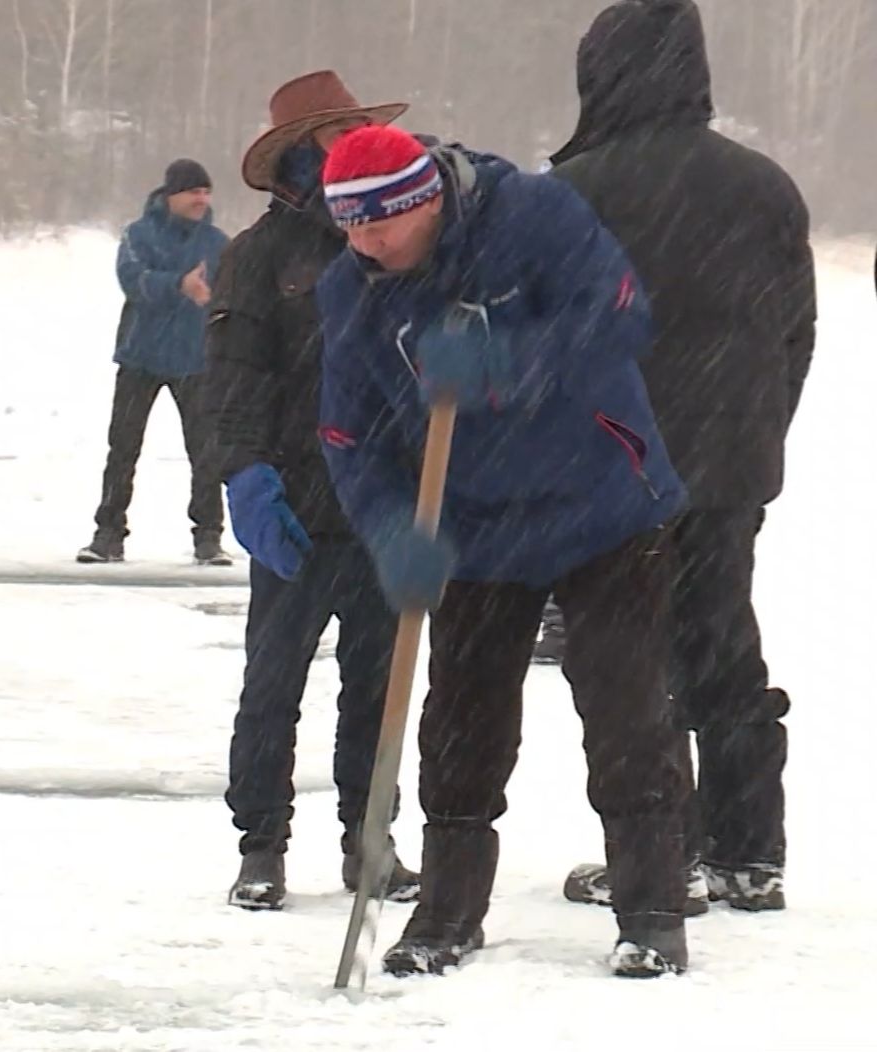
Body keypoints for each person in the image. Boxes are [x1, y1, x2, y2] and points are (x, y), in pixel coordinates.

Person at [314, 124, 692, 977]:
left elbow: (622, 310)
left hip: (602, 500)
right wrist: (392, 531)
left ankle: (653, 912)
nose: (364, 243)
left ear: (426, 201)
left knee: (626, 707)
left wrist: (512, 360)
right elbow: (347, 435)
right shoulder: (353, 292)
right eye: (349, 227)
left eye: (380, 224)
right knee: (461, 720)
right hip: (475, 521)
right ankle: (448, 914)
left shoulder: (533, 214)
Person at [546, 0, 815, 915]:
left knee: (632, 661)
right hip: (731, 463)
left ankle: (669, 850)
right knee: (723, 645)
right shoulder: (765, 187)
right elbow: (795, 332)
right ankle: (751, 848)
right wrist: (757, 430)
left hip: (617, 466)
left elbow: (551, 344)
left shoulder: (579, 188)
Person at [209, 71, 419, 910]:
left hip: (384, 513)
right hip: (294, 510)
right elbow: (232, 378)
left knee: (380, 691)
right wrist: (245, 473)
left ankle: (371, 842)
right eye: (339, 138)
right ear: (306, 153)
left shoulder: (400, 247)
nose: (355, 151)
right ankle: (261, 845)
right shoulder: (258, 257)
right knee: (272, 688)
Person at [77, 159, 232, 566]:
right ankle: (108, 534)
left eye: (206, 192)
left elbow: (233, 295)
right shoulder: (138, 235)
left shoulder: (218, 243)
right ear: (171, 195)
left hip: (196, 361)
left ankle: (209, 537)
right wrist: (179, 284)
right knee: (123, 448)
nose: (201, 199)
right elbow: (133, 280)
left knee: (206, 452)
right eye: (193, 192)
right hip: (140, 356)